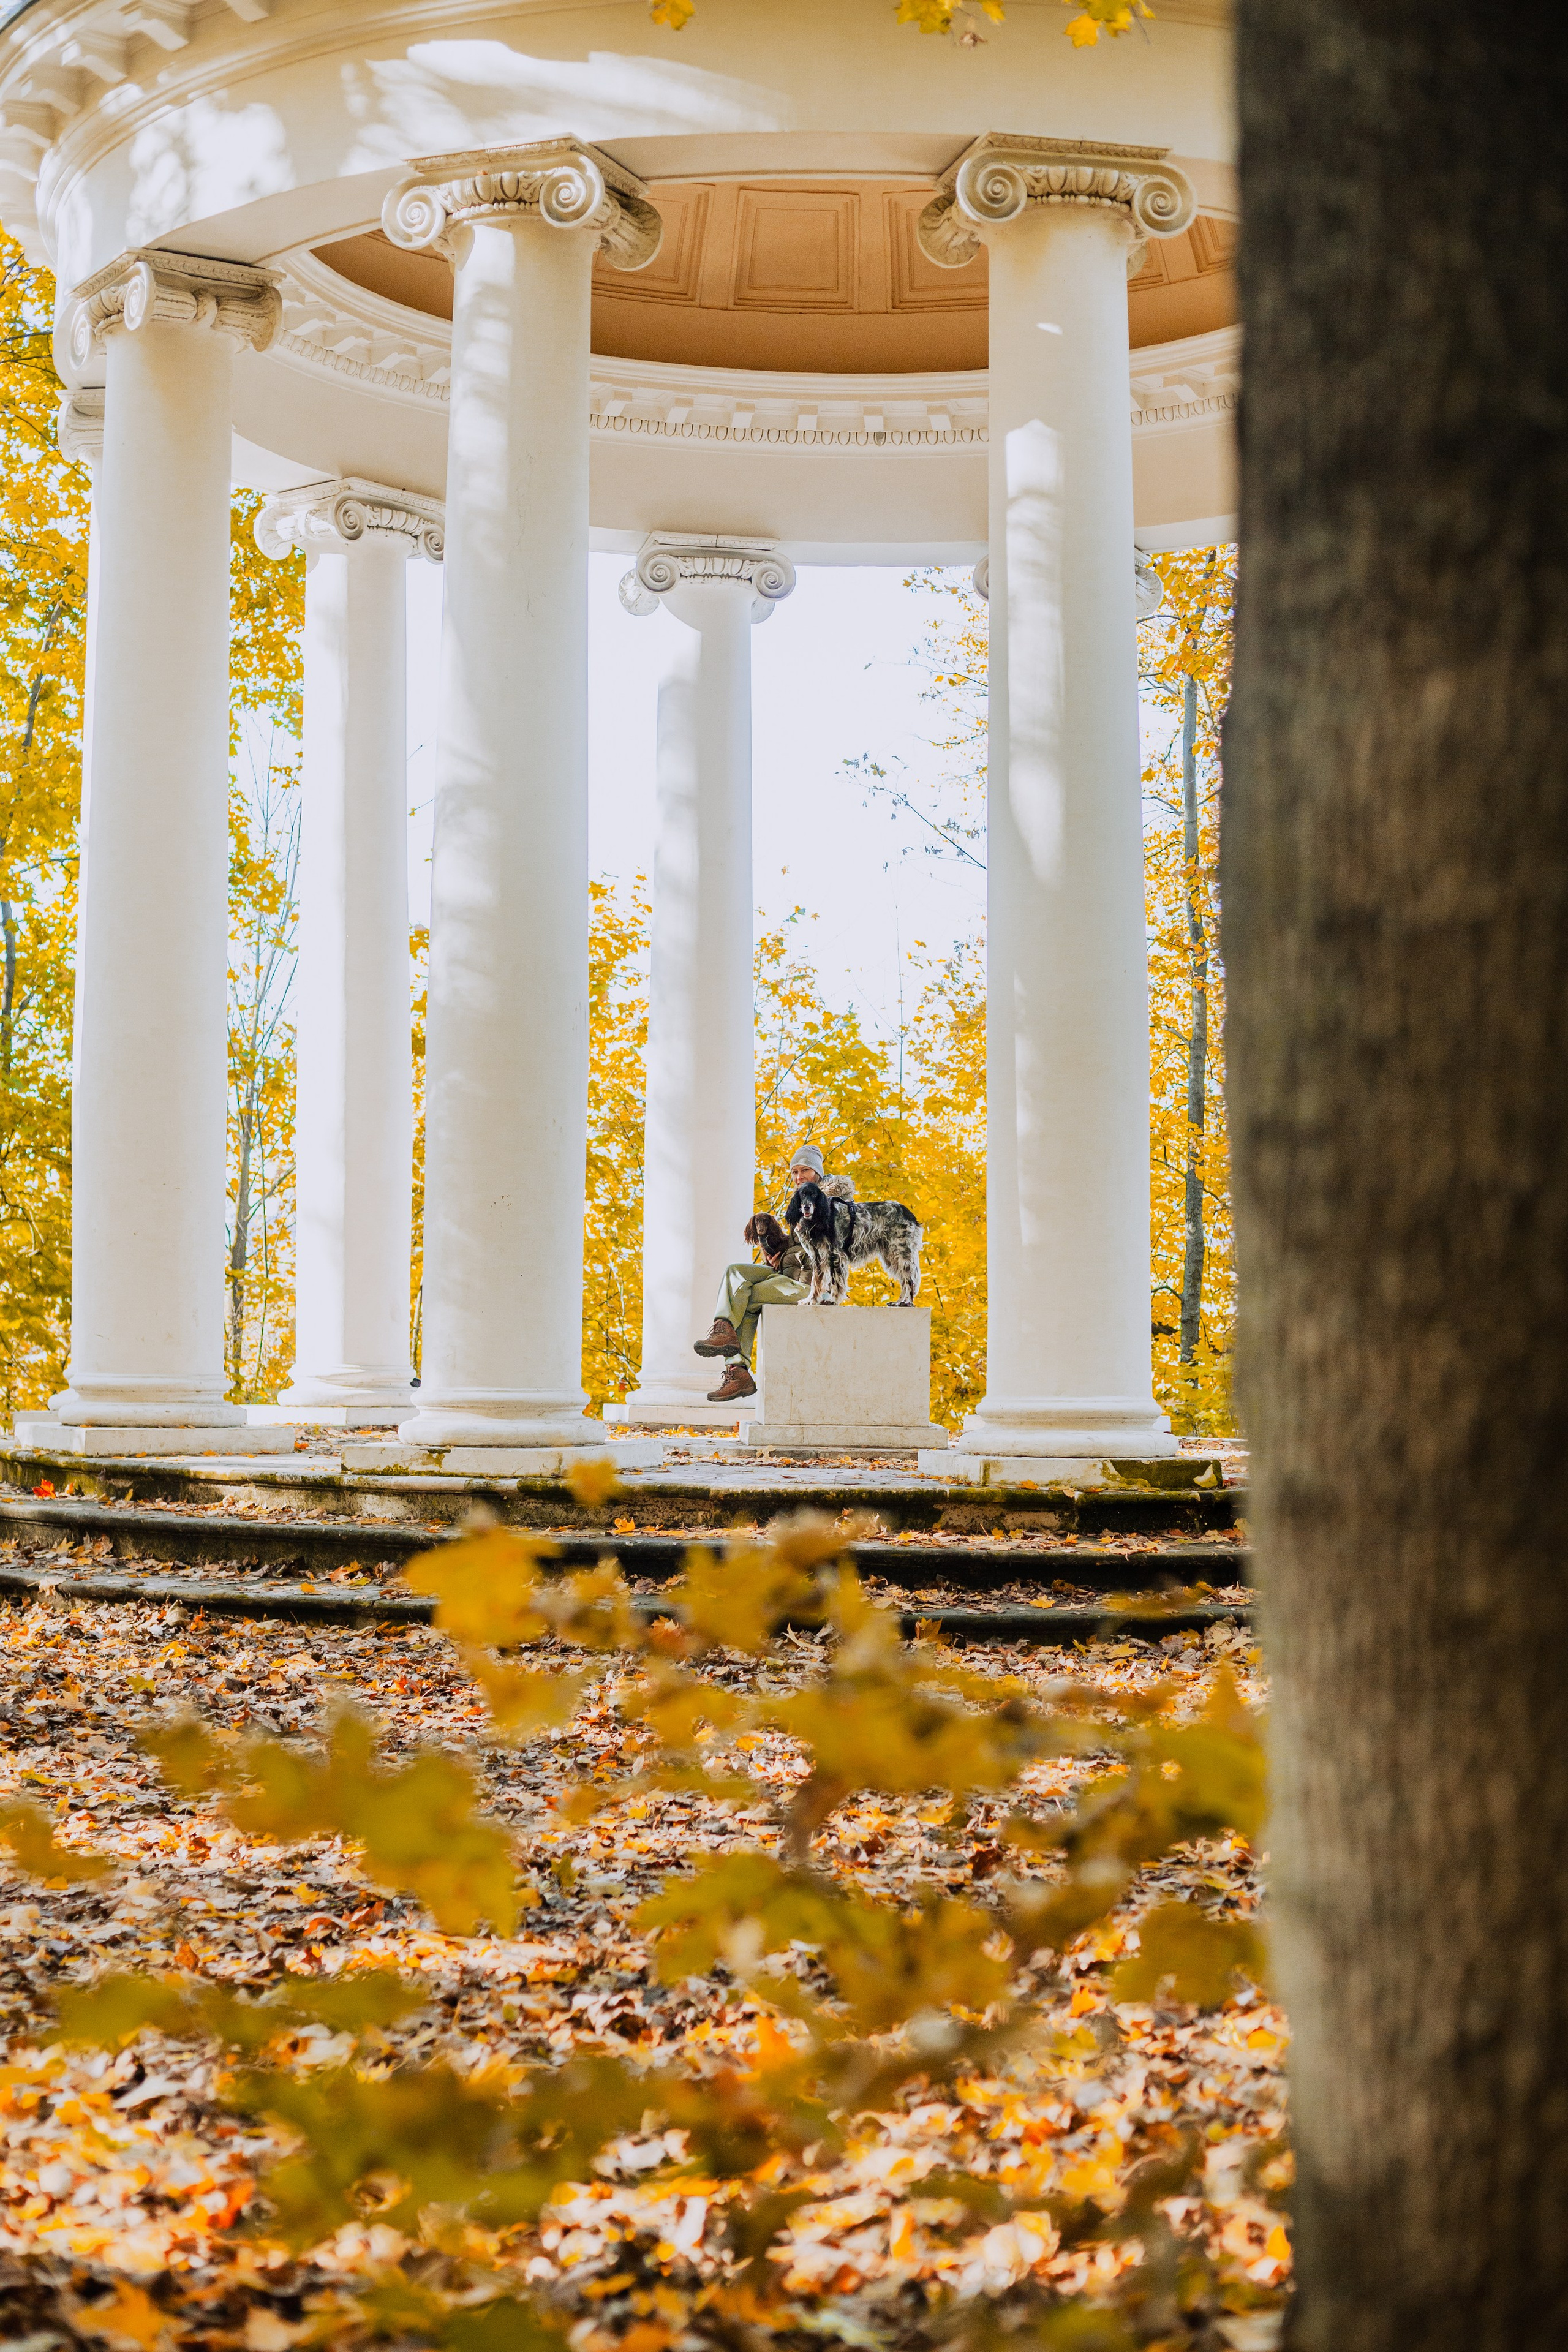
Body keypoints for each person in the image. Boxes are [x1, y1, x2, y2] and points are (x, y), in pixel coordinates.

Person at [693, 1147, 856, 1403]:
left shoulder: (833, 1203)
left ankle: (737, 1371)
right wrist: (779, 1250)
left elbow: (831, 1246)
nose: (799, 1176)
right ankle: (723, 1329)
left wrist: (795, 1253)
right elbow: (798, 1243)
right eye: (794, 1171)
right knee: (735, 1272)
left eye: (805, 1170)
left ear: (817, 1172)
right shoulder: (799, 1203)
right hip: (786, 1276)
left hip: (810, 1286)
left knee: (746, 1298)